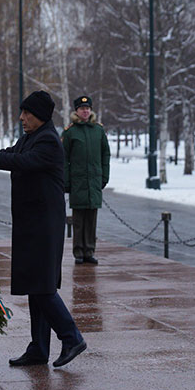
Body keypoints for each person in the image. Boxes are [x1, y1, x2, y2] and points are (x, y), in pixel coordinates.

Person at [0, 90, 87, 368]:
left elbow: (19, 162)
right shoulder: (31, 137)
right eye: (22, 112)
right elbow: (10, 153)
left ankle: (71, 337)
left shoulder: (47, 140)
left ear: (41, 116)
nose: (22, 118)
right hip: (33, 222)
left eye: (27, 113)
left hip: (44, 224)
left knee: (43, 286)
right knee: (37, 285)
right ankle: (39, 348)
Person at [61, 95, 110, 265]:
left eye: (88, 108)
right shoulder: (70, 132)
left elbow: (105, 154)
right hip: (78, 182)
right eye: (82, 109)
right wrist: (66, 181)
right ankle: (79, 252)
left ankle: (89, 251)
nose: (85, 111)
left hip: (94, 182)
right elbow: (64, 158)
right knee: (79, 220)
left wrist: (104, 176)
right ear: (76, 111)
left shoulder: (98, 130)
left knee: (91, 219)